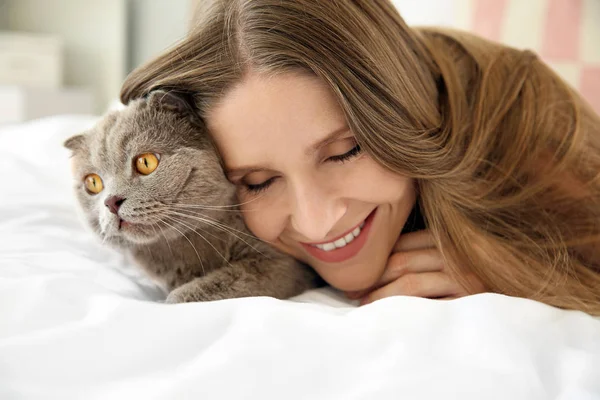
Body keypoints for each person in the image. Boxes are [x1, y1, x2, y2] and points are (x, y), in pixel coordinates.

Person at [120, 0, 600, 315]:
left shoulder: (523, 123)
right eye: (259, 181)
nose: (317, 222)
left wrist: (512, 276)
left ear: (399, 113)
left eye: (345, 151)